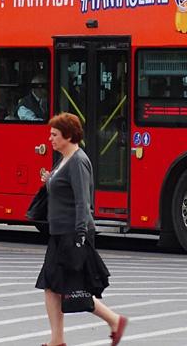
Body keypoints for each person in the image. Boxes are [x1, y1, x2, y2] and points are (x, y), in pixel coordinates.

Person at [35, 113, 128, 346]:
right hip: (59, 234)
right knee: (54, 287)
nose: (50, 139)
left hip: (71, 234)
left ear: (68, 135)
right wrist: (50, 180)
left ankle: (114, 321)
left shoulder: (78, 161)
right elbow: (63, 189)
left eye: (54, 135)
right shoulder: (64, 159)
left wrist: (80, 237)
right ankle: (58, 338)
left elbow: (82, 202)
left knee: (70, 288)